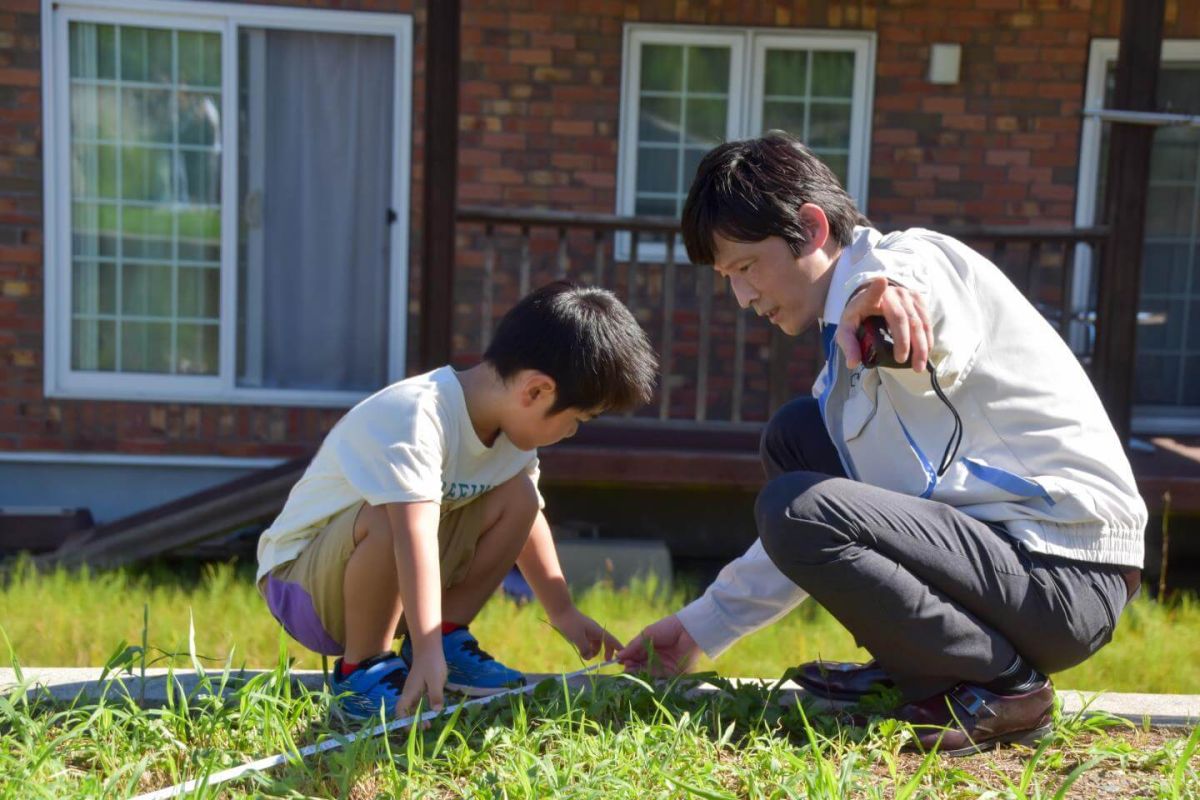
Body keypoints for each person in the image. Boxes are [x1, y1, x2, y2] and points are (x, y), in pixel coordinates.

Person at [618, 132, 1146, 755]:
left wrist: (885, 288)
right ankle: (923, 666)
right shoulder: (841, 377)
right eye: (728, 278)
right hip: (997, 567)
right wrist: (698, 628)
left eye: (746, 267)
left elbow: (912, 286)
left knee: (796, 503)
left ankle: (1008, 689)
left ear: (812, 229)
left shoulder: (918, 262)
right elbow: (823, 534)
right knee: (797, 439)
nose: (743, 297)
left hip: (1063, 574)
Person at [258, 281, 658, 720]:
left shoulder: (512, 438)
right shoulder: (418, 415)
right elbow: (411, 536)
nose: (572, 433)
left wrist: (561, 610)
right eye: (576, 419)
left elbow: (527, 523)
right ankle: (362, 669)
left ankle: (447, 634)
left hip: (384, 581)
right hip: (301, 589)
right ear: (536, 391)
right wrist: (425, 650)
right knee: (394, 517)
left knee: (521, 496)